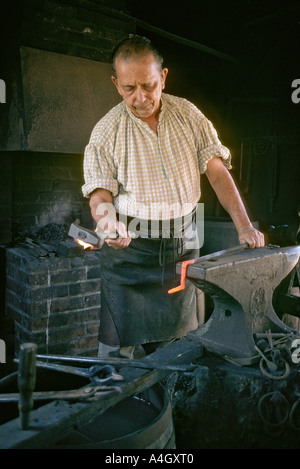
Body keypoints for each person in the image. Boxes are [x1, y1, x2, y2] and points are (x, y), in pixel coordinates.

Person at [82, 35, 264, 359]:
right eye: (129, 88)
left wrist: (245, 225)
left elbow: (218, 173)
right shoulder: (106, 132)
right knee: (115, 355)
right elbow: (99, 194)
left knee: (180, 351)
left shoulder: (189, 116)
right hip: (130, 255)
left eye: (149, 85)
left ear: (163, 77)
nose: (140, 98)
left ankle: (169, 403)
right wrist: (107, 220)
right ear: (115, 83)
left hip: (184, 243)